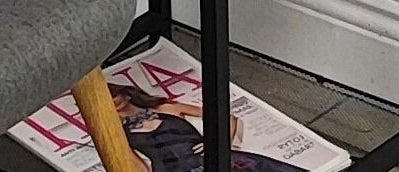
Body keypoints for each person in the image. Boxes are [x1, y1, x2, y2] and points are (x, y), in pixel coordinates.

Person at [108, 83, 306, 172]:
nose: (113, 102)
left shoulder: (167, 108)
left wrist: (216, 142)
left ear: (126, 93)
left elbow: (225, 118)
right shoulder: (117, 132)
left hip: (210, 162)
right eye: (107, 101)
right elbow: (136, 164)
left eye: (113, 95)